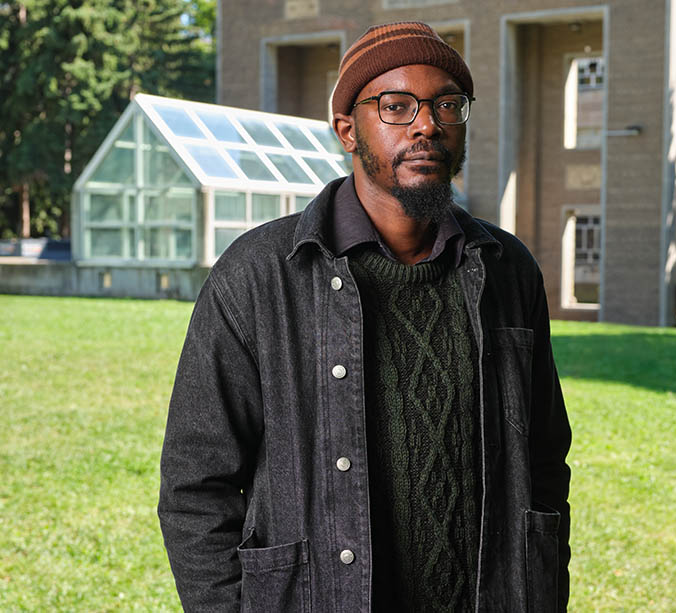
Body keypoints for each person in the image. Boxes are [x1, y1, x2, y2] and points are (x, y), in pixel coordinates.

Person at [158, 21, 571, 613]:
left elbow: (545, 460)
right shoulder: (259, 274)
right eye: (397, 106)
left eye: (446, 105)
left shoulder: (507, 270)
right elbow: (195, 487)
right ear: (348, 130)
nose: (427, 124)